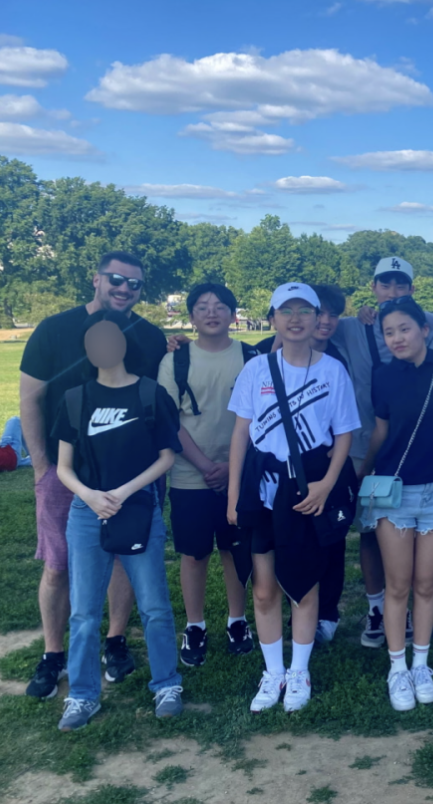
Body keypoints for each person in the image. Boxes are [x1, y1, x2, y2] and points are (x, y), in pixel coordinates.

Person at [19, 250, 168, 700]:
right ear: (96, 279)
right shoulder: (54, 330)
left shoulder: (149, 336)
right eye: (116, 280)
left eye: (135, 284)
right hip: (68, 475)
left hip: (133, 475)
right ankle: (53, 654)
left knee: (125, 556)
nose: (125, 289)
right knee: (59, 565)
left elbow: (157, 399)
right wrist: (43, 466)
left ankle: (115, 641)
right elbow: (31, 399)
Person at [226, 284, 362, 713]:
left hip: (310, 488)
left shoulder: (332, 370)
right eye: (287, 311)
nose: (297, 319)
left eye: (306, 310)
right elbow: (240, 435)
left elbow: (344, 434)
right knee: (264, 588)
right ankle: (273, 672)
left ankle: (299, 671)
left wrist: (327, 485)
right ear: (273, 319)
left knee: (305, 583)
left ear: (318, 318)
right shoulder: (257, 370)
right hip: (264, 490)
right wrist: (233, 497)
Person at [52, 310, 183, 730]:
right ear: (88, 351)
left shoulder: (149, 394)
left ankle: (167, 684)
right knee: (84, 612)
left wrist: (124, 493)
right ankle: (83, 695)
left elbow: (167, 456)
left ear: (123, 346)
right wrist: (90, 496)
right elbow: (63, 468)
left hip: (138, 506)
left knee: (155, 606)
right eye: (95, 342)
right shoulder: (75, 399)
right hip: (87, 512)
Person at [361, 298, 433, 711]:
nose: (397, 338)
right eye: (389, 332)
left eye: (405, 329)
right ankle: (397, 668)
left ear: (425, 330)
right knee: (398, 584)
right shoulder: (383, 376)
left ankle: (421, 664)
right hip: (394, 492)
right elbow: (381, 432)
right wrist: (361, 475)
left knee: (427, 584)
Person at [334, 258, 433, 648]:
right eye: (386, 285)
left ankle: (424, 606)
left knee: (423, 536)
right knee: (369, 534)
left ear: (412, 291)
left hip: (416, 450)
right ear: (373, 287)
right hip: (366, 447)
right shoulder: (352, 325)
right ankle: (377, 606)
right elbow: (312, 330)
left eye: (401, 285)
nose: (393, 292)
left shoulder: (427, 323)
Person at [156, 283, 255, 667]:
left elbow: (259, 418)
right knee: (194, 554)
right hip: (189, 476)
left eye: (220, 307)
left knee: (235, 549)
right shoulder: (175, 360)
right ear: (192, 316)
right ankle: (195, 625)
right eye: (202, 307)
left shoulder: (251, 356)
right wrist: (205, 466)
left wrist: (231, 468)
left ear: (233, 314)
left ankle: (237, 620)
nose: (211, 313)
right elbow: (169, 419)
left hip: (239, 474)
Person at [253, 284, 353, 644]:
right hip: (272, 476)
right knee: (271, 556)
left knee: (325, 545)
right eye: (318, 312)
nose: (322, 320)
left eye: (328, 314)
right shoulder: (263, 360)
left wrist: (330, 477)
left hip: (322, 470)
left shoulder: (338, 360)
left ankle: (323, 614)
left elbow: (344, 428)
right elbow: (244, 425)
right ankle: (276, 634)